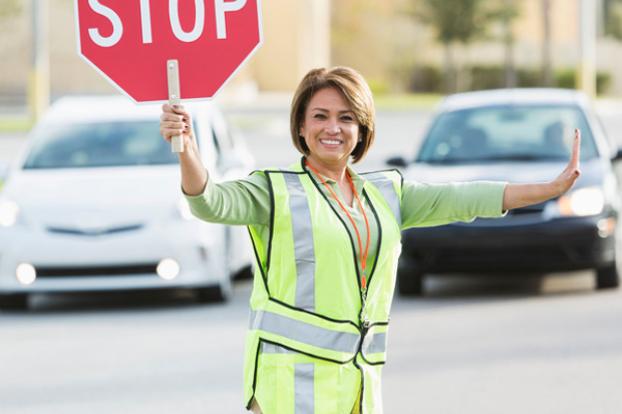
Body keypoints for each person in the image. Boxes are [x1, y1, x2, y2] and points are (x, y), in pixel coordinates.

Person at [159, 67, 581, 414]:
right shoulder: (273, 191)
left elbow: (461, 198)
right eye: (320, 116)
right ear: (301, 126)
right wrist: (188, 150)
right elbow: (209, 201)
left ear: (362, 130)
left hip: (357, 385)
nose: (333, 128)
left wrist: (546, 189)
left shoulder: (386, 193)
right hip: (290, 390)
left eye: (346, 117)